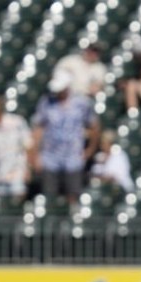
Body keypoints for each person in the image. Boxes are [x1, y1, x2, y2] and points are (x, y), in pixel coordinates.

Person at [32, 71, 100, 207]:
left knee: (73, 194)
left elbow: (94, 126)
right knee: (49, 195)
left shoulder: (82, 103)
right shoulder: (46, 102)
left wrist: (90, 149)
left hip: (73, 157)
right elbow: (38, 128)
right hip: (50, 157)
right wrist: (36, 154)